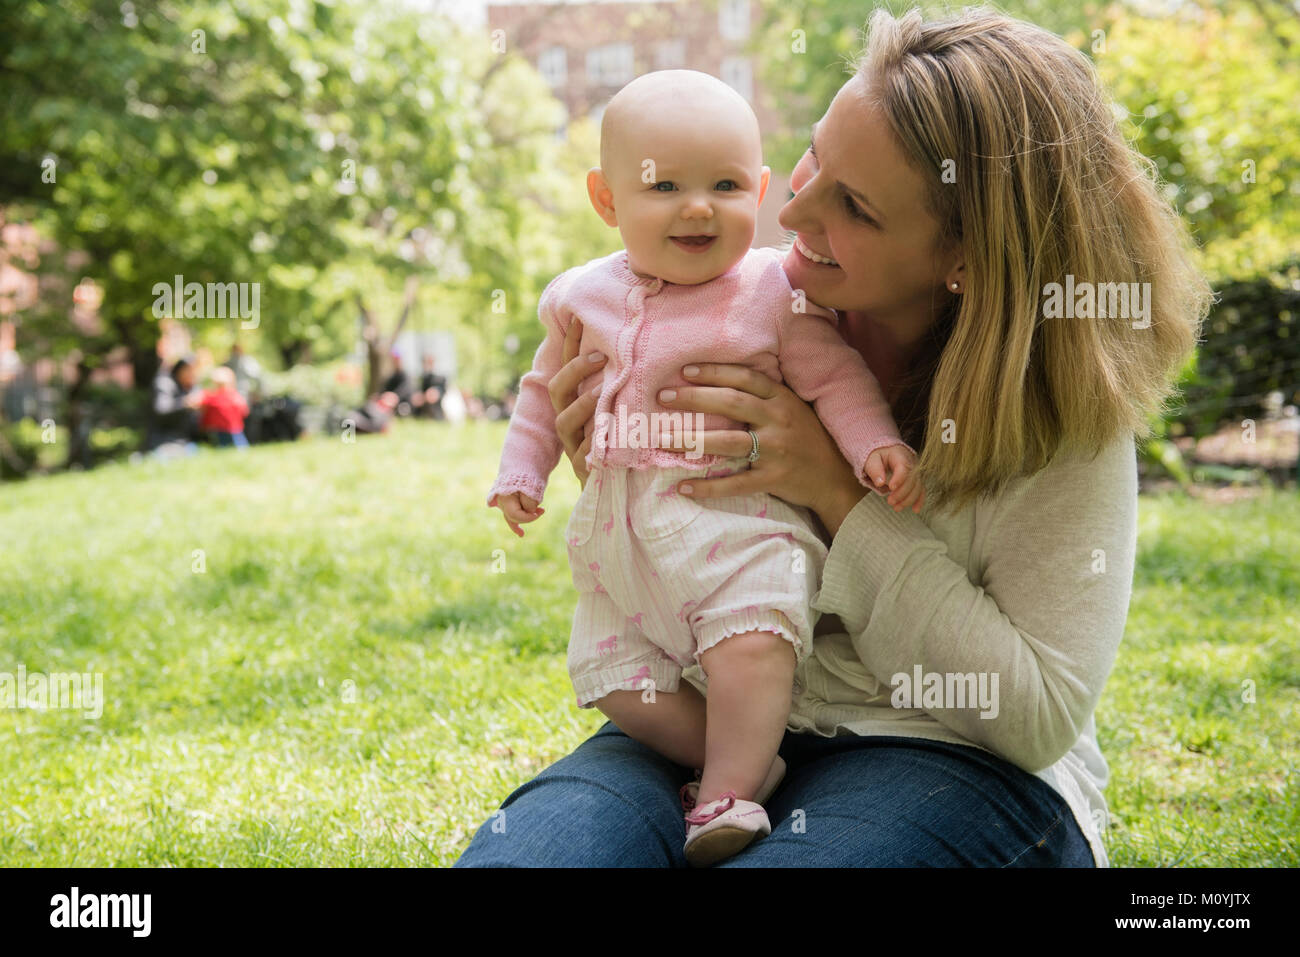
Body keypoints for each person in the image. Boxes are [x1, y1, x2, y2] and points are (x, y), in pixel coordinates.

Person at [457, 6, 1211, 868]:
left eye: (852, 203)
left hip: (944, 753)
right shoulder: (733, 306)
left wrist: (840, 496)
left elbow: (1037, 715)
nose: (795, 204)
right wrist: (611, 464)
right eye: (817, 154)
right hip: (714, 716)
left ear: (964, 256)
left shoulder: (1058, 410)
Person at [486, 69, 921, 865]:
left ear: (757, 191)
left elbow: (834, 379)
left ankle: (728, 791)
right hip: (626, 539)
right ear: (607, 200)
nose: (697, 206)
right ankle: (744, 753)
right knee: (614, 678)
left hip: (737, 526)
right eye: (664, 186)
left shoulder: (770, 290)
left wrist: (873, 445)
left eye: (724, 184)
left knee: (750, 643)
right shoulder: (581, 296)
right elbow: (543, 390)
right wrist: (523, 469)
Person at [146, 357, 203, 457]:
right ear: (180, 369)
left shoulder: (191, 387)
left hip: (186, 441)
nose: (193, 375)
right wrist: (185, 403)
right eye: (190, 371)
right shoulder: (164, 383)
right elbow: (162, 409)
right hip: (164, 441)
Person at [198, 366, 250, 449]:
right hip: (217, 430)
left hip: (234, 429)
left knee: (239, 446)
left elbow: (244, 410)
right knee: (222, 447)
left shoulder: (234, 396)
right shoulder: (211, 396)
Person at [413, 354, 447, 420]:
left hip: (437, 404)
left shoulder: (440, 377)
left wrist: (436, 392)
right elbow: (419, 390)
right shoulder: (423, 378)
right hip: (424, 403)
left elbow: (443, 390)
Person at [380, 350, 414, 415]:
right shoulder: (392, 376)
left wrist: (393, 396)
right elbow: (385, 389)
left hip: (403, 403)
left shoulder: (405, 376)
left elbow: (404, 390)